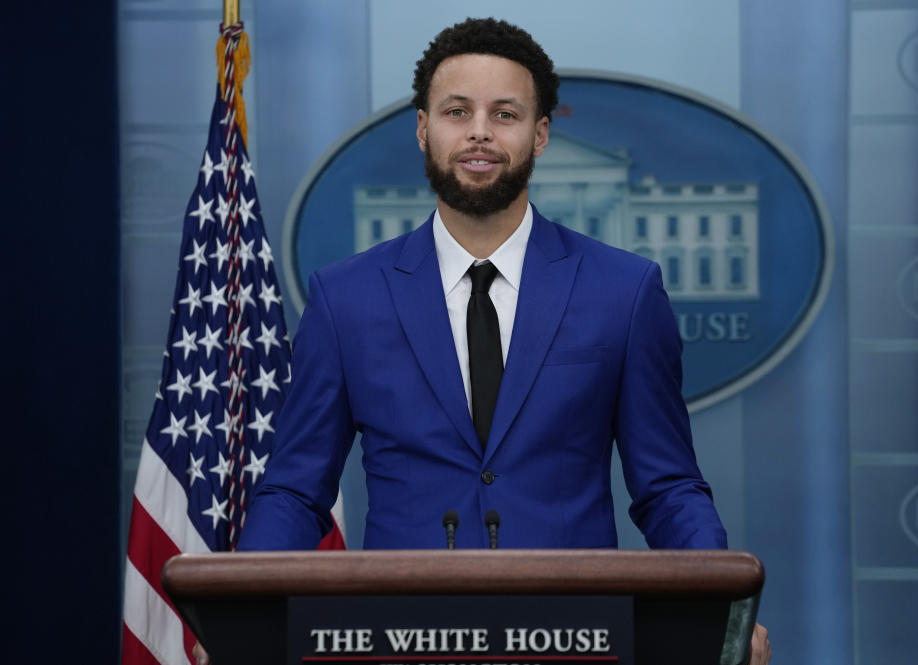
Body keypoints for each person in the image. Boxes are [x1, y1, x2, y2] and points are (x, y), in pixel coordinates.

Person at [230, 16, 770, 664]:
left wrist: (722, 609)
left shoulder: (624, 293)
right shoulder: (345, 298)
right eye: (458, 111)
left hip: (578, 640)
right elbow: (295, 489)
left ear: (540, 135)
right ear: (424, 129)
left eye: (505, 113)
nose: (480, 131)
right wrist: (243, 617)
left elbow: (668, 487)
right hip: (396, 641)